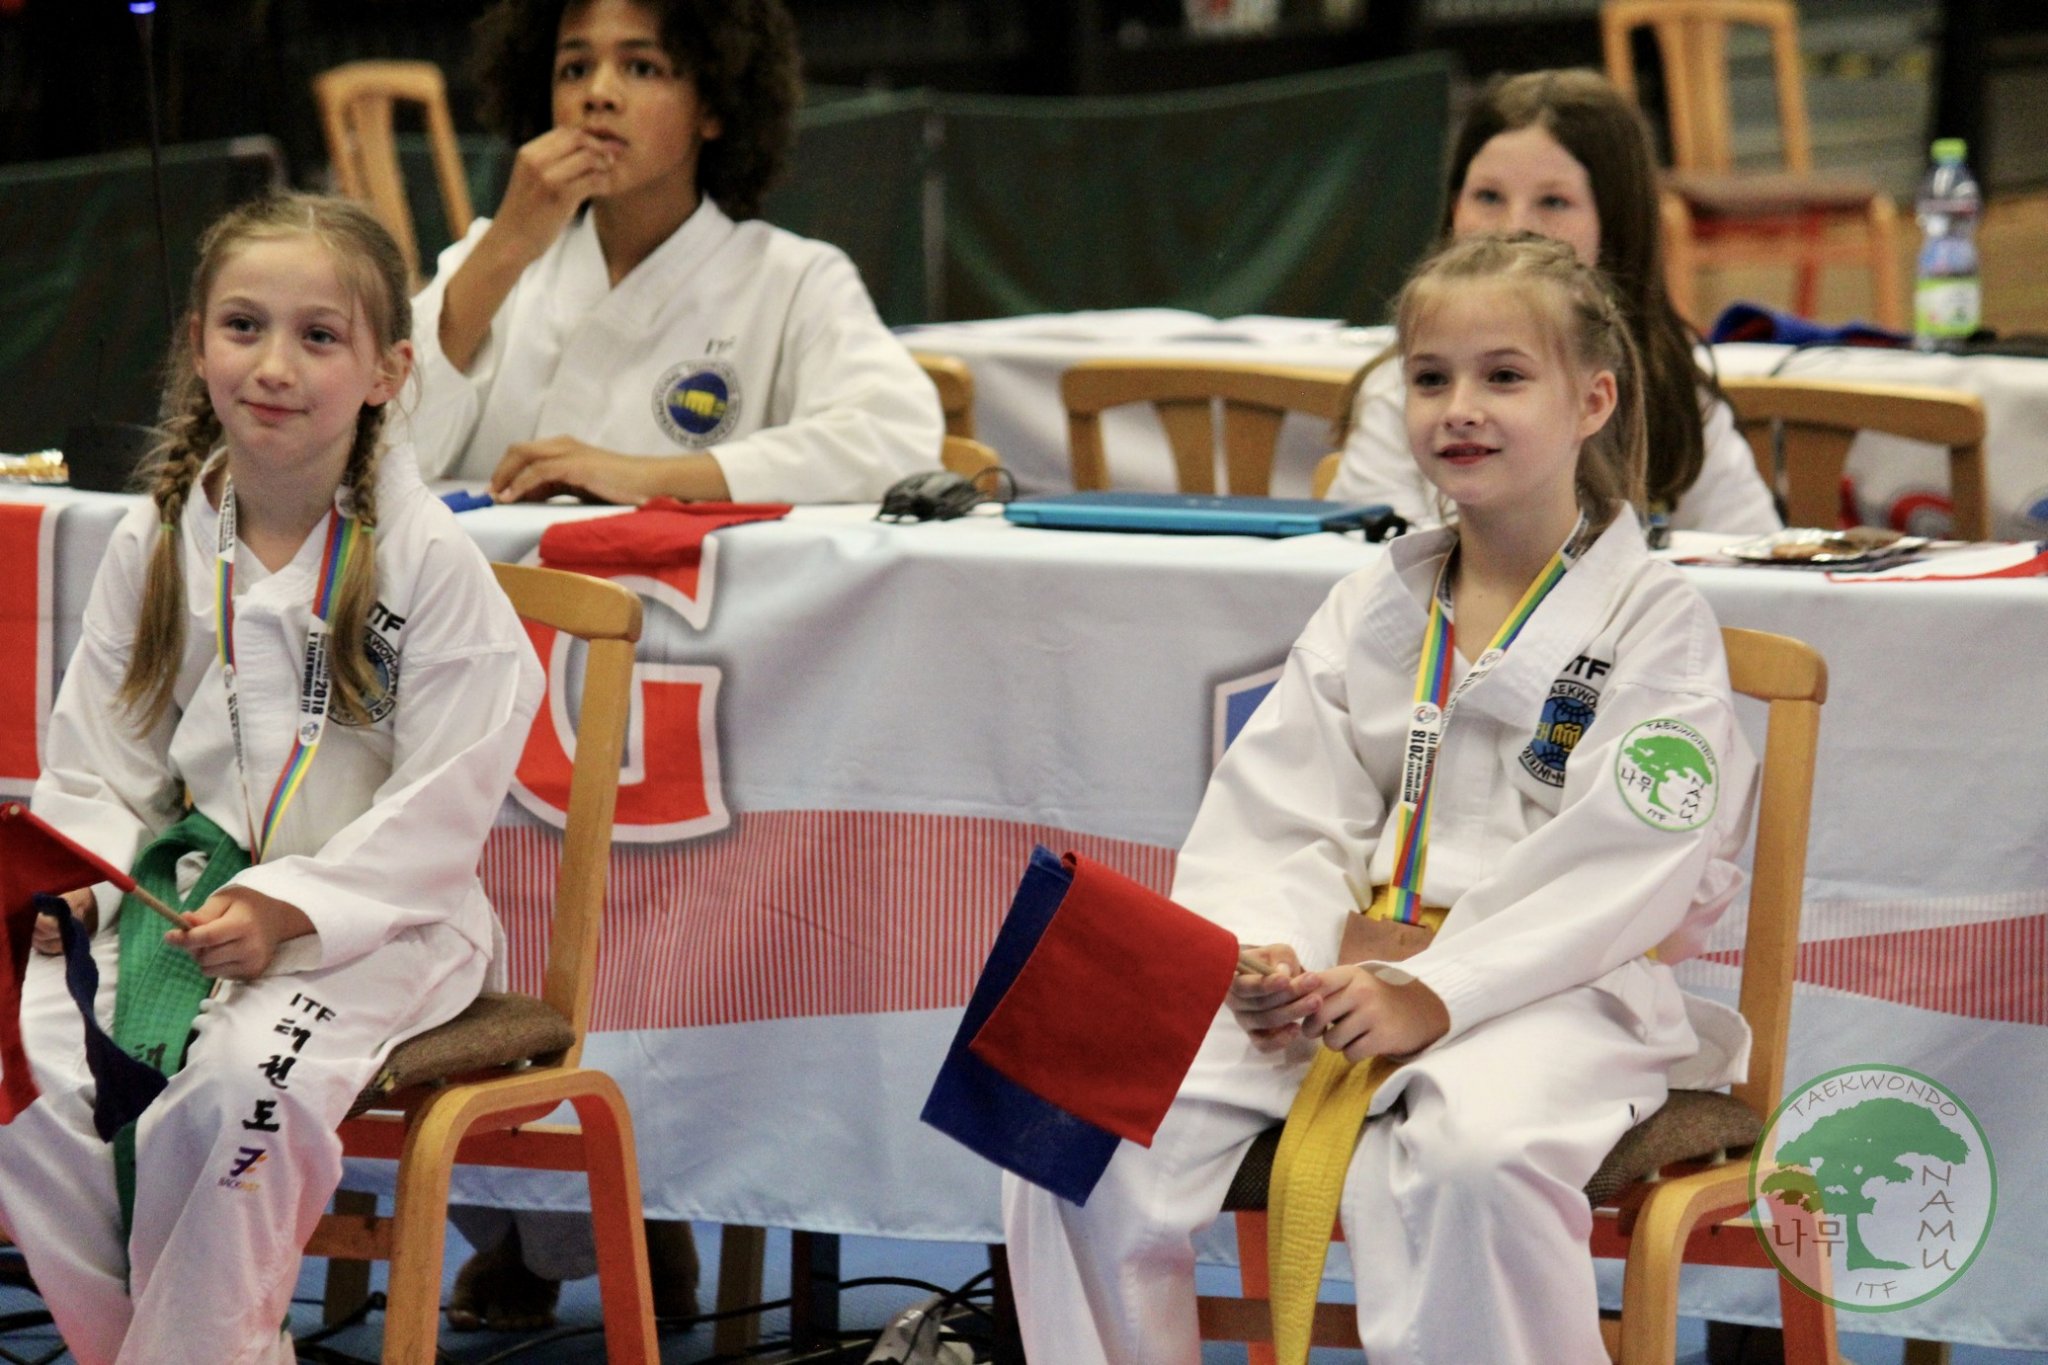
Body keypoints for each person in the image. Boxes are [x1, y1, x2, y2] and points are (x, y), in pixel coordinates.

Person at [1003, 232, 1760, 1364]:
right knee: (1070, 1109)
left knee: (1474, 1160)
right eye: (1430, 377)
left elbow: (1626, 867)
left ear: (1592, 400)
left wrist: (1432, 991)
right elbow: (1280, 812)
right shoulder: (1377, 604)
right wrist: (1262, 958)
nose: (1462, 408)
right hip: (1339, 981)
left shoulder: (1652, 624)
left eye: (1505, 376)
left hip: (1559, 991)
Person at [0, 193, 542, 1365]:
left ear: (388, 371)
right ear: (197, 343)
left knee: (240, 1089)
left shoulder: (428, 562)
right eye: (243, 326)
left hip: (380, 922)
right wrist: (80, 878)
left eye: (319, 336)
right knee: (20, 1076)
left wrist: (293, 908)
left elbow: (445, 801)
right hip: (171, 904)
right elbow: (100, 757)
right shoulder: (159, 538)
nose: (274, 366)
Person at [406, 0, 943, 504]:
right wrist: (506, 247)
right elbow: (381, 445)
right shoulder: (493, 261)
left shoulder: (792, 280)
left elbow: (893, 437)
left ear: (711, 107)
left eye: (642, 68)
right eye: (574, 69)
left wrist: (642, 477)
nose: (598, 94)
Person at [1326, 68, 1781, 535]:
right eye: (1488, 196)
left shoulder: (1676, 395)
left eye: (1554, 202)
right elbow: (1373, 560)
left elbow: (1750, 554)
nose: (1514, 227)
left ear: (1616, 221)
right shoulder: (1401, 388)